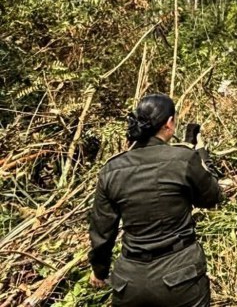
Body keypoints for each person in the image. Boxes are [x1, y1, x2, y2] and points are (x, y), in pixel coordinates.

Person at [88, 93, 221, 306]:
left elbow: (102, 230)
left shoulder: (111, 169)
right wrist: (202, 157)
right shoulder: (184, 159)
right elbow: (212, 197)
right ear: (169, 123)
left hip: (130, 283)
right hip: (181, 277)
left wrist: (99, 270)